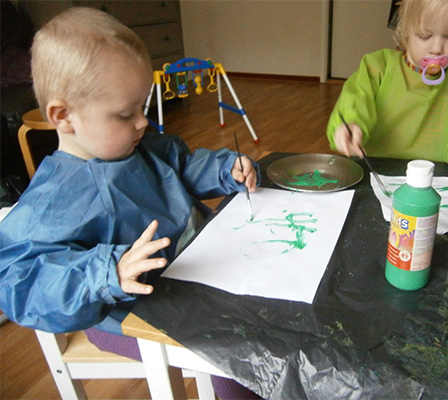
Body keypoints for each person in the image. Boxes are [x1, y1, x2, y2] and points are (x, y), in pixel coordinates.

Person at [0, 7, 261, 399]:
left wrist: (226, 170)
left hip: (197, 276)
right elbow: (17, 280)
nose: (142, 122)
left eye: (143, 107)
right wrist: (106, 275)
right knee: (239, 353)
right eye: (126, 114)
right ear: (63, 116)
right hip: (129, 316)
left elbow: (183, 165)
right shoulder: (56, 198)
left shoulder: (138, 145)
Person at [327, 0, 448, 187]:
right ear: (405, 30)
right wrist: (349, 124)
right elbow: (356, 99)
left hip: (437, 180)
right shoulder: (377, 68)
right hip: (378, 172)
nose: (437, 48)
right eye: (425, 35)